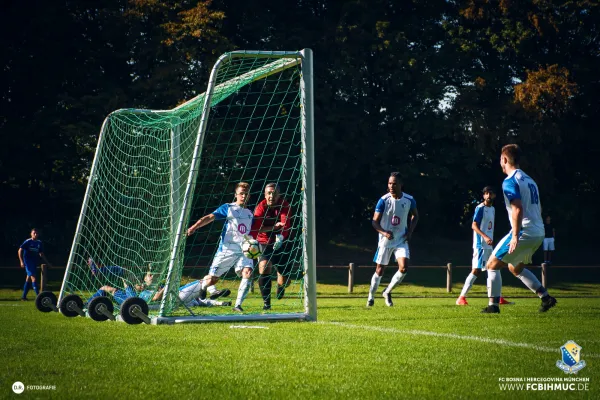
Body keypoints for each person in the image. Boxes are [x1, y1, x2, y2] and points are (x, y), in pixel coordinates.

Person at [482, 144, 557, 314]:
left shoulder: (510, 181)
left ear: (505, 159)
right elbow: (538, 207)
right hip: (539, 231)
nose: (500, 163)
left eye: (501, 160)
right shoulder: (530, 180)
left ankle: (493, 306)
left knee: (492, 265)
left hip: (525, 230)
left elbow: (517, 208)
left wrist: (515, 235)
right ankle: (546, 298)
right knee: (514, 267)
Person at [187, 182, 254, 312]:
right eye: (241, 193)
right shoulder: (228, 208)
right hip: (227, 250)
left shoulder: (250, 213)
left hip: (244, 250)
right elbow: (210, 217)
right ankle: (204, 287)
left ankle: (238, 305)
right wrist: (194, 227)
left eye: (246, 193)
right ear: (236, 195)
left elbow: (254, 230)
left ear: (249, 195)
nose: (243, 195)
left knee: (248, 273)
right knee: (212, 280)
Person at [367, 172, 419, 307]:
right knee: (380, 270)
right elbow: (374, 222)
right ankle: (371, 297)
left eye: (394, 183)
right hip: (385, 241)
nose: (391, 186)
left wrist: (410, 232)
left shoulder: (409, 200)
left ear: (401, 185)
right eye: (389, 183)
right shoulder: (383, 200)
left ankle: (387, 291)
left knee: (404, 268)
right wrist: (384, 232)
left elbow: (415, 216)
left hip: (401, 239)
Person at [456, 187, 512, 306]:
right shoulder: (480, 208)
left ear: (494, 196)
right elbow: (474, 225)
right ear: (483, 196)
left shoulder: (492, 209)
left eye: (490, 194)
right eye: (486, 194)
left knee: (494, 268)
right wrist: (485, 237)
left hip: (488, 245)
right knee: (476, 270)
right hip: (480, 245)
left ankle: (498, 297)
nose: (488, 196)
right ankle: (461, 297)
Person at [87, 258, 230, 300]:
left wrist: (162, 289)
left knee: (123, 276)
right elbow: (142, 288)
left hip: (134, 302)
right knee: (106, 287)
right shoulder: (145, 286)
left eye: (152, 274)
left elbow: (155, 298)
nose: (151, 275)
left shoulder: (158, 287)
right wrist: (141, 285)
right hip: (133, 298)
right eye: (149, 274)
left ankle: (210, 291)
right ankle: (87, 304)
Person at [251, 183, 292, 310]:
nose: (271, 196)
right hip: (264, 241)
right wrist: (274, 228)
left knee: (285, 278)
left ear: (279, 195)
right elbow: (257, 228)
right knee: (264, 267)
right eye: (269, 193)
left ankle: (281, 285)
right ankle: (266, 304)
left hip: (282, 242)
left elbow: (285, 224)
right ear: (265, 194)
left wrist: (281, 236)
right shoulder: (260, 208)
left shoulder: (285, 205)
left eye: (274, 193)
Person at [18, 228, 52, 301]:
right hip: (27, 262)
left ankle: (23, 297)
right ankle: (39, 297)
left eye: (37, 233)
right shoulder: (28, 241)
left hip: (34, 262)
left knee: (28, 278)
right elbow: (20, 250)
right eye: (34, 233)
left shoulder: (39, 243)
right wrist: (21, 261)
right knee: (33, 277)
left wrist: (47, 263)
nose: (35, 234)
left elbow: (41, 254)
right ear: (31, 234)